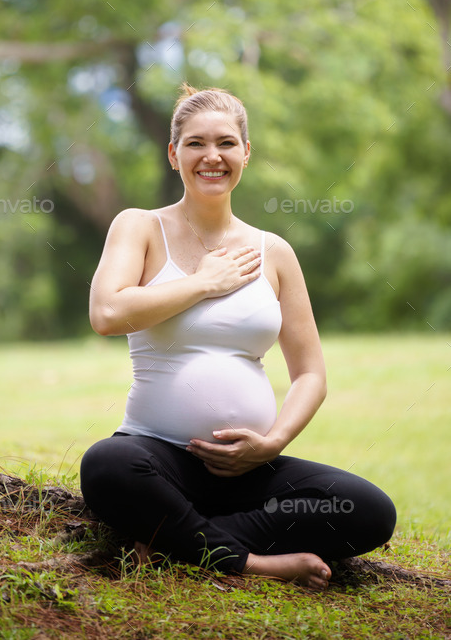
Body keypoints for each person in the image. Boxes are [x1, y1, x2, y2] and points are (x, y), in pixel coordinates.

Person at [80, 84, 396, 590]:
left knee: (369, 509)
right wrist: (203, 283)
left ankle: (179, 546)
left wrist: (270, 445)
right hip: (156, 458)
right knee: (105, 465)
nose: (212, 157)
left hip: (250, 471)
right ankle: (255, 564)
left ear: (246, 153)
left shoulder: (275, 253)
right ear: (173, 154)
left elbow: (311, 373)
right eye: (195, 143)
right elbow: (107, 312)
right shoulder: (138, 226)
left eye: (226, 143)